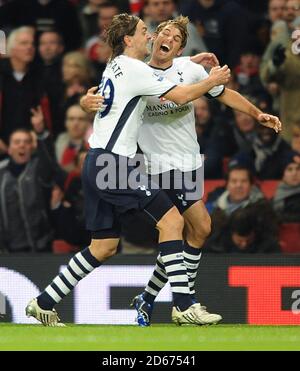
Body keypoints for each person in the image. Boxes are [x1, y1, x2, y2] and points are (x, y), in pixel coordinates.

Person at [25, 13, 231, 327]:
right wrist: (211, 81)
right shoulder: (135, 69)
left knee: (103, 247)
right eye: (144, 32)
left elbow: (154, 73)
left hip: (96, 160)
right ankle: (184, 305)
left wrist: (188, 59)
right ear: (128, 40)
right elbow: (181, 94)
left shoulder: (115, 65)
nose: (149, 36)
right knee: (173, 221)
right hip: (115, 163)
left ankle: (43, 302)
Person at [81, 15, 282, 327]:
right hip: (157, 166)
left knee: (199, 231)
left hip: (189, 164)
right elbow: (103, 98)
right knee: (187, 224)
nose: (168, 39)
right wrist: (84, 101)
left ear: (180, 49)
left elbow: (224, 94)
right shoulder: (136, 70)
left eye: (176, 38)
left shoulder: (189, 69)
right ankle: (184, 302)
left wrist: (257, 113)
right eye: (163, 32)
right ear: (152, 39)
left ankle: (149, 297)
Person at [0, 110, 62, 253]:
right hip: (6, 251)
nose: (22, 145)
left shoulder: (38, 169)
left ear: (31, 148)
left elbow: (50, 163)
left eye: (26, 142)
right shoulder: (1, 172)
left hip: (39, 247)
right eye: (17, 142)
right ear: (9, 149)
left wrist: (40, 133)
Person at [273, 152, 300, 222]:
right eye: (289, 169)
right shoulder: (276, 197)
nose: (294, 173)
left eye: (298, 169)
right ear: (283, 174)